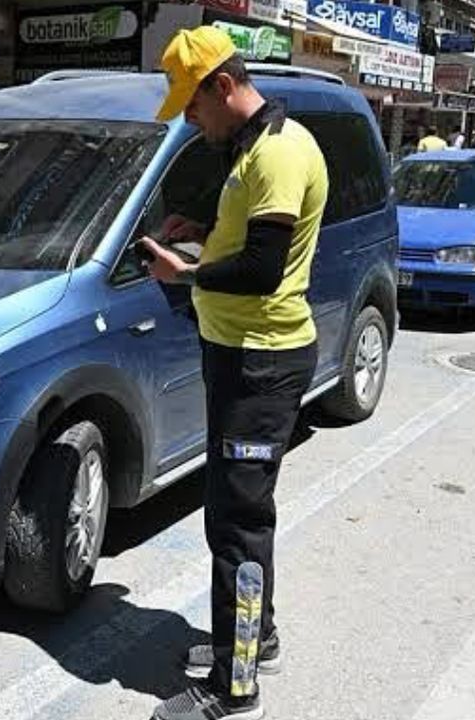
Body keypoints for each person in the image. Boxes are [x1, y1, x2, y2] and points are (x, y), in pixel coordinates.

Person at [139, 25, 327, 720]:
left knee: (238, 525)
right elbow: (244, 243)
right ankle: (255, 637)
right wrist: (202, 232)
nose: (191, 120)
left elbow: (262, 269)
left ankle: (233, 684)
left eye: (193, 105)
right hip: (237, 355)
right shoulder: (250, 149)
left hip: (260, 363)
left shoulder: (277, 153)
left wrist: (186, 272)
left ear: (224, 85)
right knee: (233, 513)